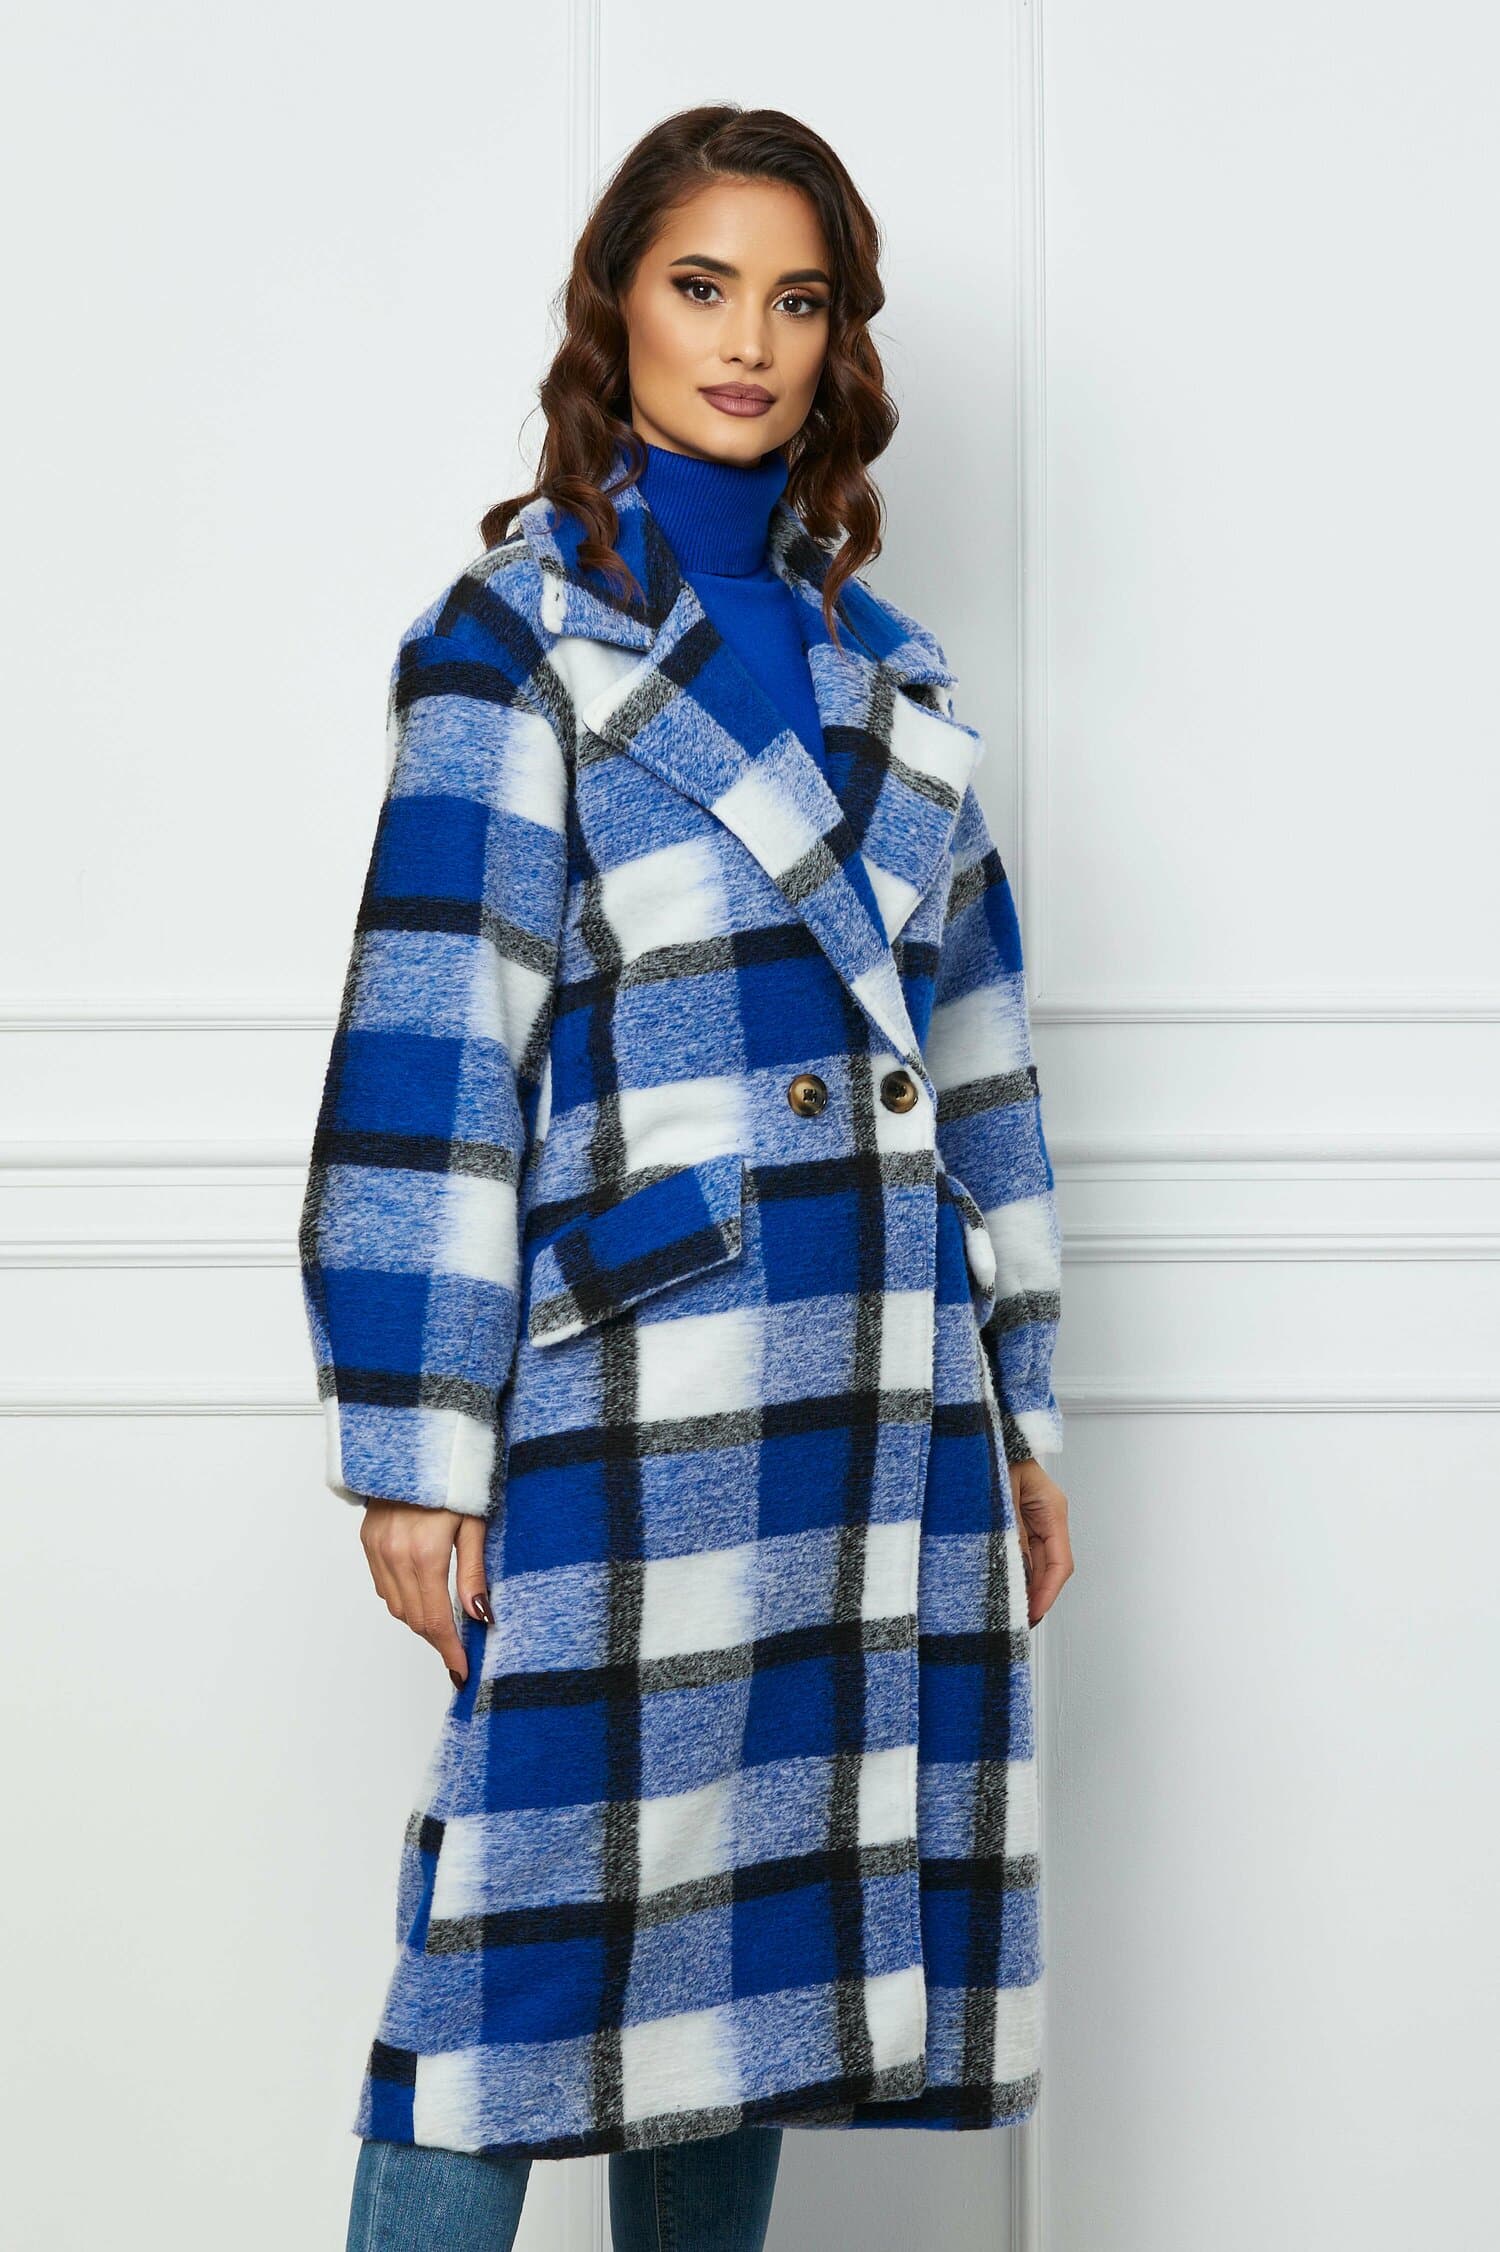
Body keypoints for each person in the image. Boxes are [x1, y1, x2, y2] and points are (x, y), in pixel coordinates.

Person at [300, 101, 1073, 2252]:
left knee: (747, 1984)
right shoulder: (515, 644)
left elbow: (983, 1071)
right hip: (633, 1405)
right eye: (702, 286)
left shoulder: (890, 674)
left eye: (795, 300)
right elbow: (429, 1052)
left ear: (840, 342)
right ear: (617, 309)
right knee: (503, 1975)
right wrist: (415, 1451)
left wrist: (1020, 1412)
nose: (748, 343)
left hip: (875, 1407)